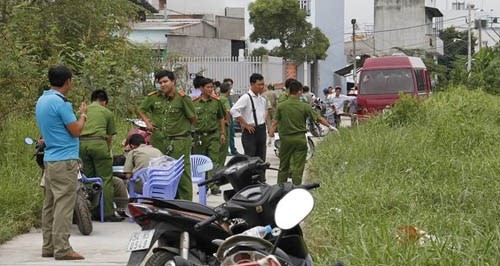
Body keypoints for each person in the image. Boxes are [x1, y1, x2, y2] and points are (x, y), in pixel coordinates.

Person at [35, 65, 86, 260]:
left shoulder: (42, 100)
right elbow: (76, 130)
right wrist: (83, 115)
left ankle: (48, 245)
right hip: (65, 160)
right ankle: (63, 248)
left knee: (49, 204)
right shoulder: (61, 103)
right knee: (64, 204)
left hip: (50, 160)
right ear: (68, 81)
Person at [139, 70, 197, 200]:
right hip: (159, 140)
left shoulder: (182, 98)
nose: (162, 85)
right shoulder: (153, 97)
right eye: (160, 83)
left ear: (173, 82)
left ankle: (185, 204)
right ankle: (162, 201)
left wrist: (180, 126)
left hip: (179, 141)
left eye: (165, 81)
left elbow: (193, 119)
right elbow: (141, 109)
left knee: (181, 173)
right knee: (160, 172)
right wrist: (147, 122)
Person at [268, 80, 336, 185]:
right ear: (299, 92)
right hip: (300, 139)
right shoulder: (304, 106)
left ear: (289, 91)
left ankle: (280, 188)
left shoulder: (281, 106)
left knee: (283, 166)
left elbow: (274, 122)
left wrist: (270, 135)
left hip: (285, 140)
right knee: (298, 167)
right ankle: (296, 188)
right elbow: (318, 118)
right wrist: (330, 126)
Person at [79, 89, 121, 222]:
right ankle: (108, 213)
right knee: (105, 179)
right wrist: (107, 150)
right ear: (104, 102)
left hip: (81, 145)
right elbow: (109, 137)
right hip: (99, 144)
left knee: (89, 179)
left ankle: (91, 212)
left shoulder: (81, 112)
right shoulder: (107, 112)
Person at [192, 78, 226, 195]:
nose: (211, 89)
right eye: (208, 87)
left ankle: (213, 184)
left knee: (213, 161)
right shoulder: (194, 103)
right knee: (201, 162)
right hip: (199, 137)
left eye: (212, 87)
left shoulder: (217, 102)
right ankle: (203, 184)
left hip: (213, 135)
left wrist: (222, 133)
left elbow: (221, 118)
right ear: (201, 88)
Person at [230, 73, 267, 161]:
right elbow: (233, 110)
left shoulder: (262, 99)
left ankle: (261, 175)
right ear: (252, 84)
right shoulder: (246, 97)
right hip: (251, 132)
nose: (261, 87)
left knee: (261, 158)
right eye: (259, 84)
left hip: (261, 130)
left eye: (263, 84)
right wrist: (245, 124)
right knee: (251, 159)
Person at [223, 78, 240, 155]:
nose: (229, 86)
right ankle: (227, 150)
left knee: (231, 135)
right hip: (226, 118)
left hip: (231, 118)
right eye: (228, 85)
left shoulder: (230, 96)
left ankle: (233, 149)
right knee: (227, 135)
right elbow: (227, 110)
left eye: (230, 85)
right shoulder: (224, 97)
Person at [218, 82, 232, 164]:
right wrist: (227, 120)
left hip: (218, 125)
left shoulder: (218, 98)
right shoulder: (225, 99)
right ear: (228, 90)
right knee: (223, 149)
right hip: (224, 126)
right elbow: (228, 111)